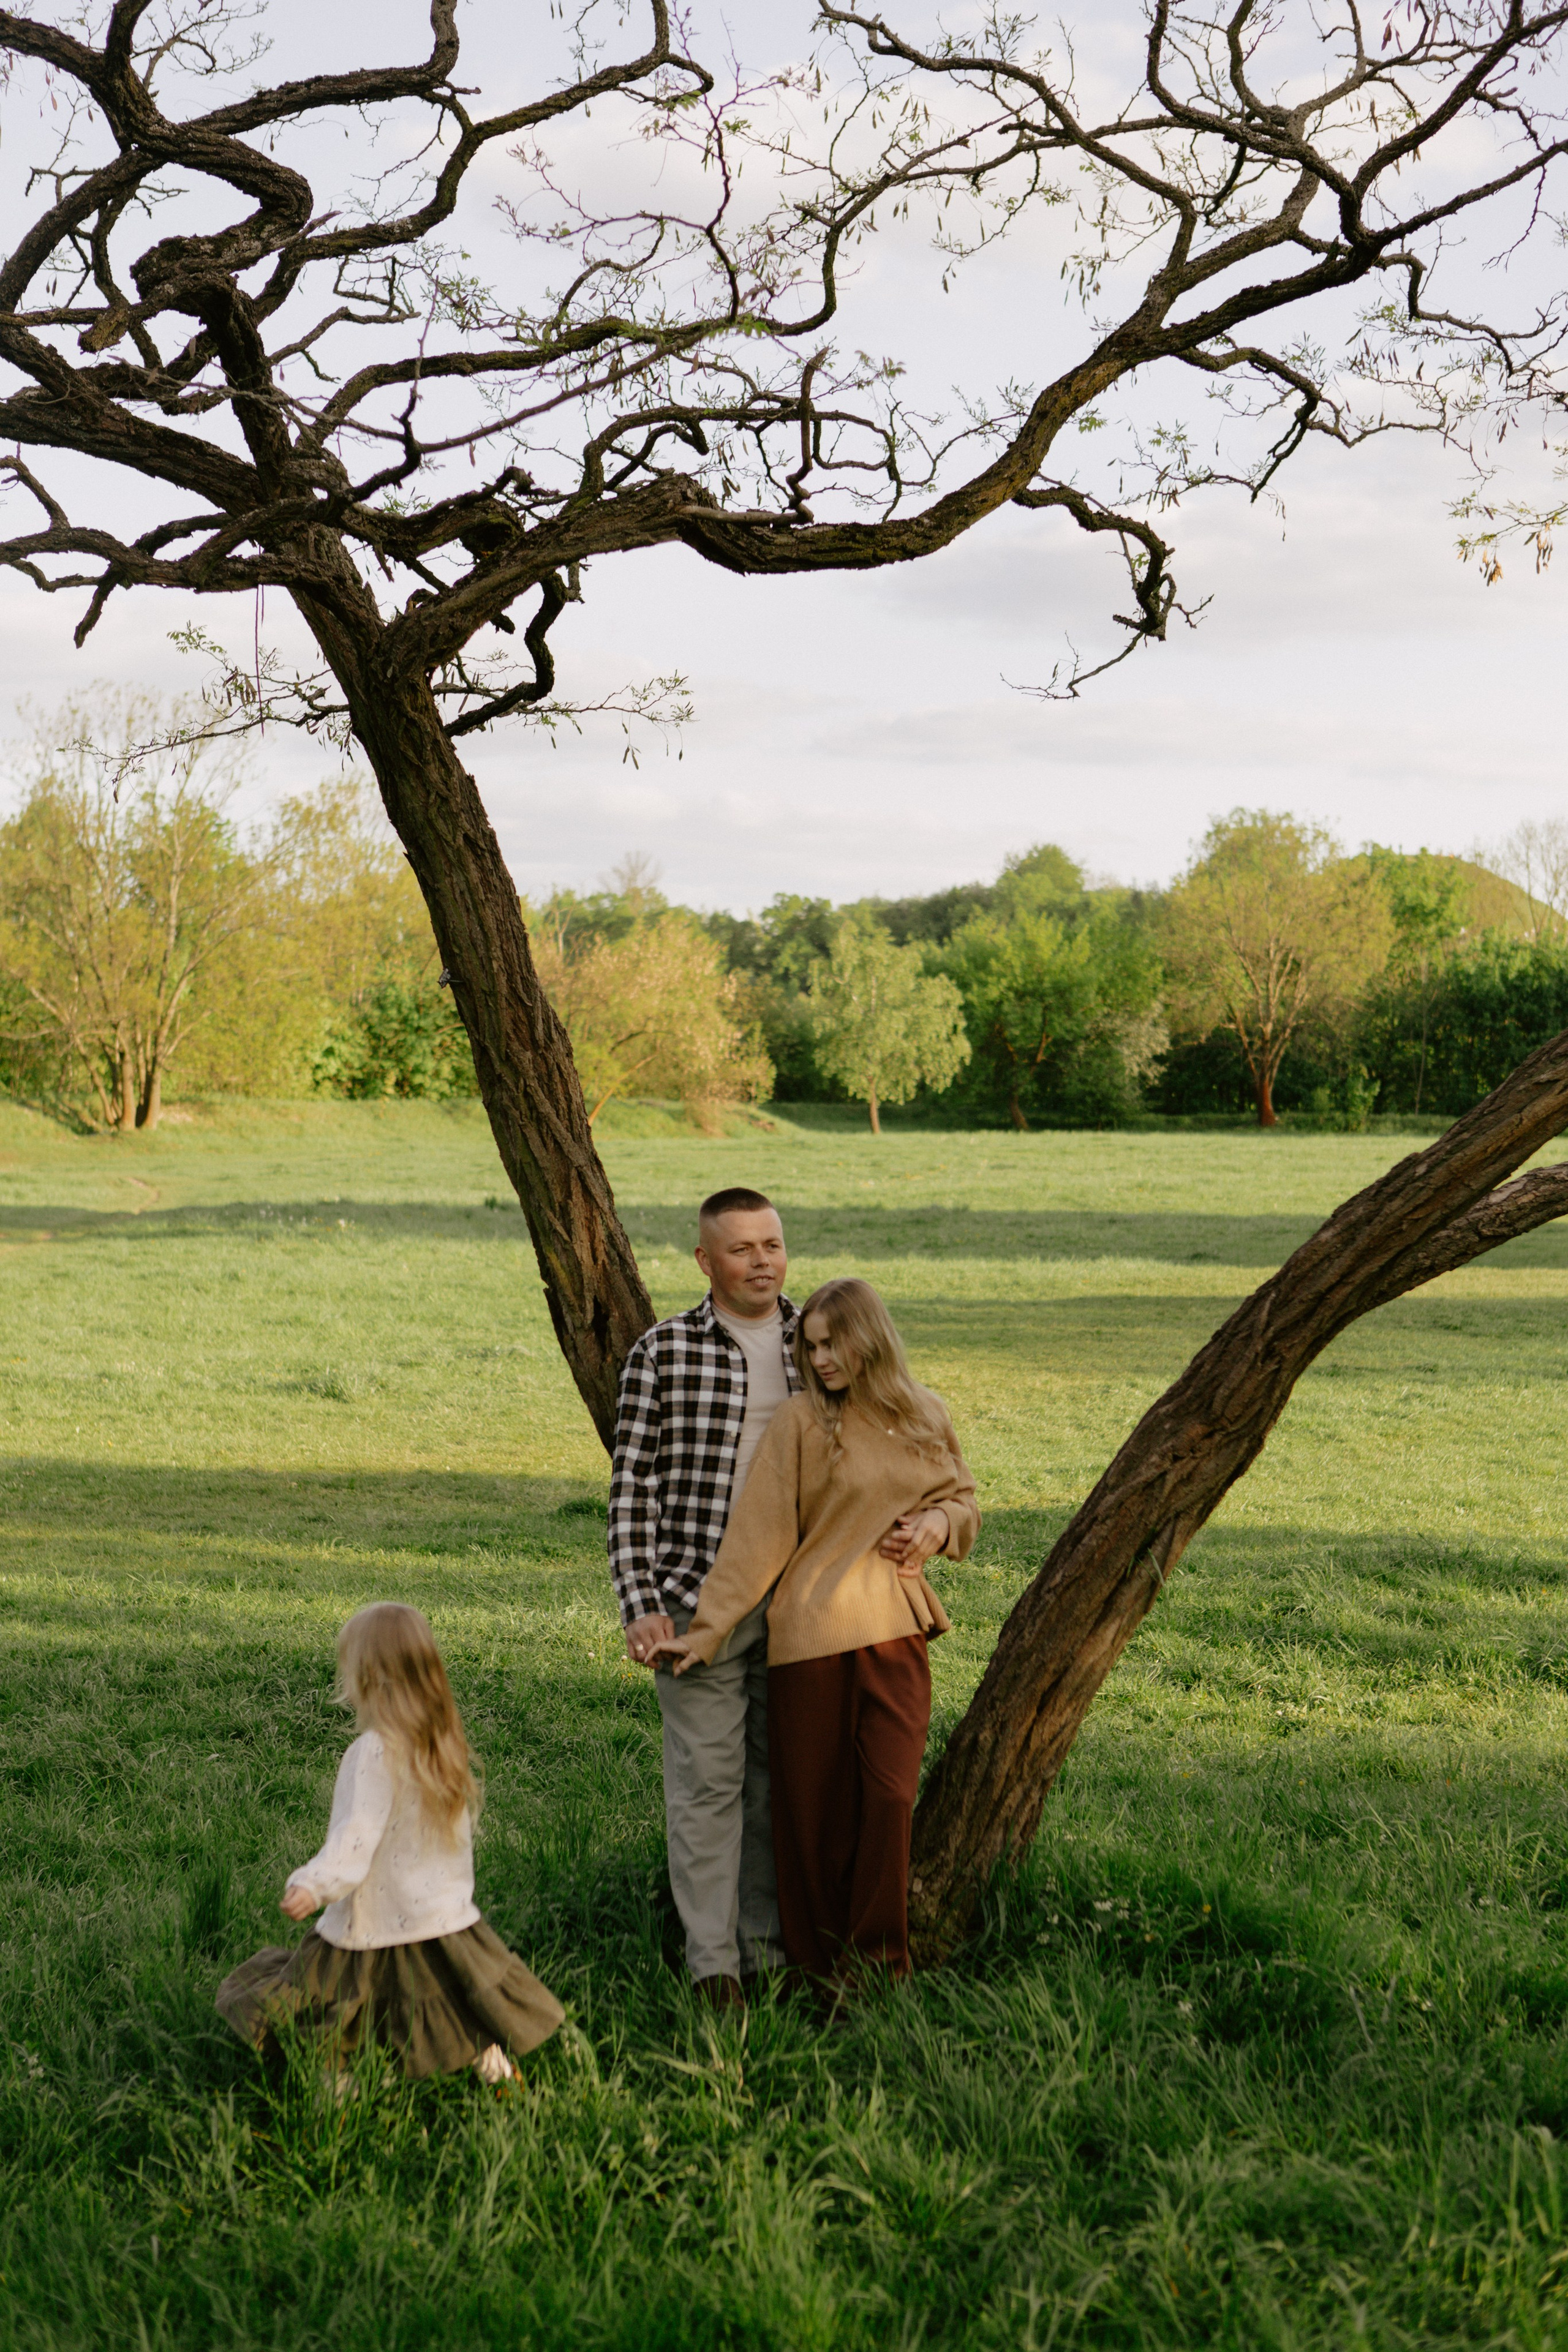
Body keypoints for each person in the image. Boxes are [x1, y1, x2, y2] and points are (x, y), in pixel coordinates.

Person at [650, 1278, 978, 1987]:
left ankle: (876, 1974)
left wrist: (940, 1523)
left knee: (888, 1799)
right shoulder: (801, 1422)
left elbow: (964, 1500)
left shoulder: (925, 1414)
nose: (819, 1359)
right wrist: (706, 1632)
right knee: (812, 1817)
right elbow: (757, 1539)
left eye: (833, 1344)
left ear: (870, 1339)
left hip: (895, 1636)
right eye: (811, 1346)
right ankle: (814, 1974)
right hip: (807, 1642)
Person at [216, 1602, 564, 2082]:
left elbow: (354, 1838)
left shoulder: (373, 1753)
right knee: (450, 1999)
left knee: (337, 2006)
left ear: (369, 1678)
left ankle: (341, 2097)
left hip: (374, 1921)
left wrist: (314, 1885)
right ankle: (497, 2073)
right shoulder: (440, 1744)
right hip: (441, 1919)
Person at [608, 1186, 799, 2009]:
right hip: (693, 1605)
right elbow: (632, 1488)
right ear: (704, 1261)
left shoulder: (817, 1342)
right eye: (741, 1249)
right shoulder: (662, 1352)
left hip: (797, 1609)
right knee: (708, 1785)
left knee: (775, 1784)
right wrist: (641, 1601)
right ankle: (714, 1968)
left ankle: (768, 1952)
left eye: (771, 1245)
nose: (761, 1262)